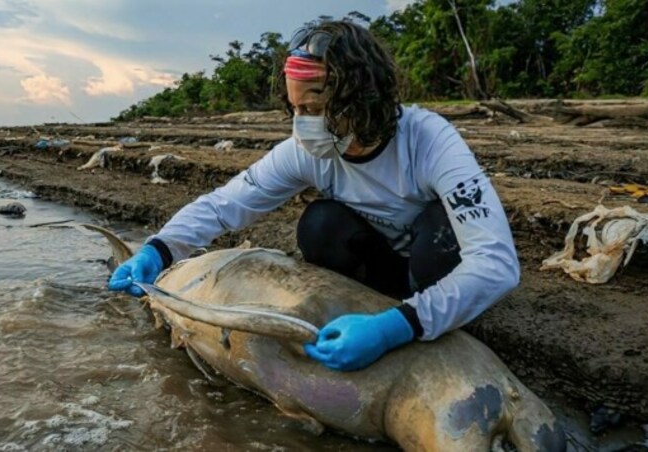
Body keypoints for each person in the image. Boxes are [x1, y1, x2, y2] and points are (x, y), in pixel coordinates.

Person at [108, 21, 520, 372]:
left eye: (317, 107)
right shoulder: (307, 151)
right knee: (320, 223)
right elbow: (226, 204)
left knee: (440, 229)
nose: (305, 125)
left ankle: (419, 319)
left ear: (363, 97)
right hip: (379, 271)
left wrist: (397, 326)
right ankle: (367, 315)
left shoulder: (429, 141)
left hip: (432, 269)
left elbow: (496, 264)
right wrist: (159, 250)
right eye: (296, 110)